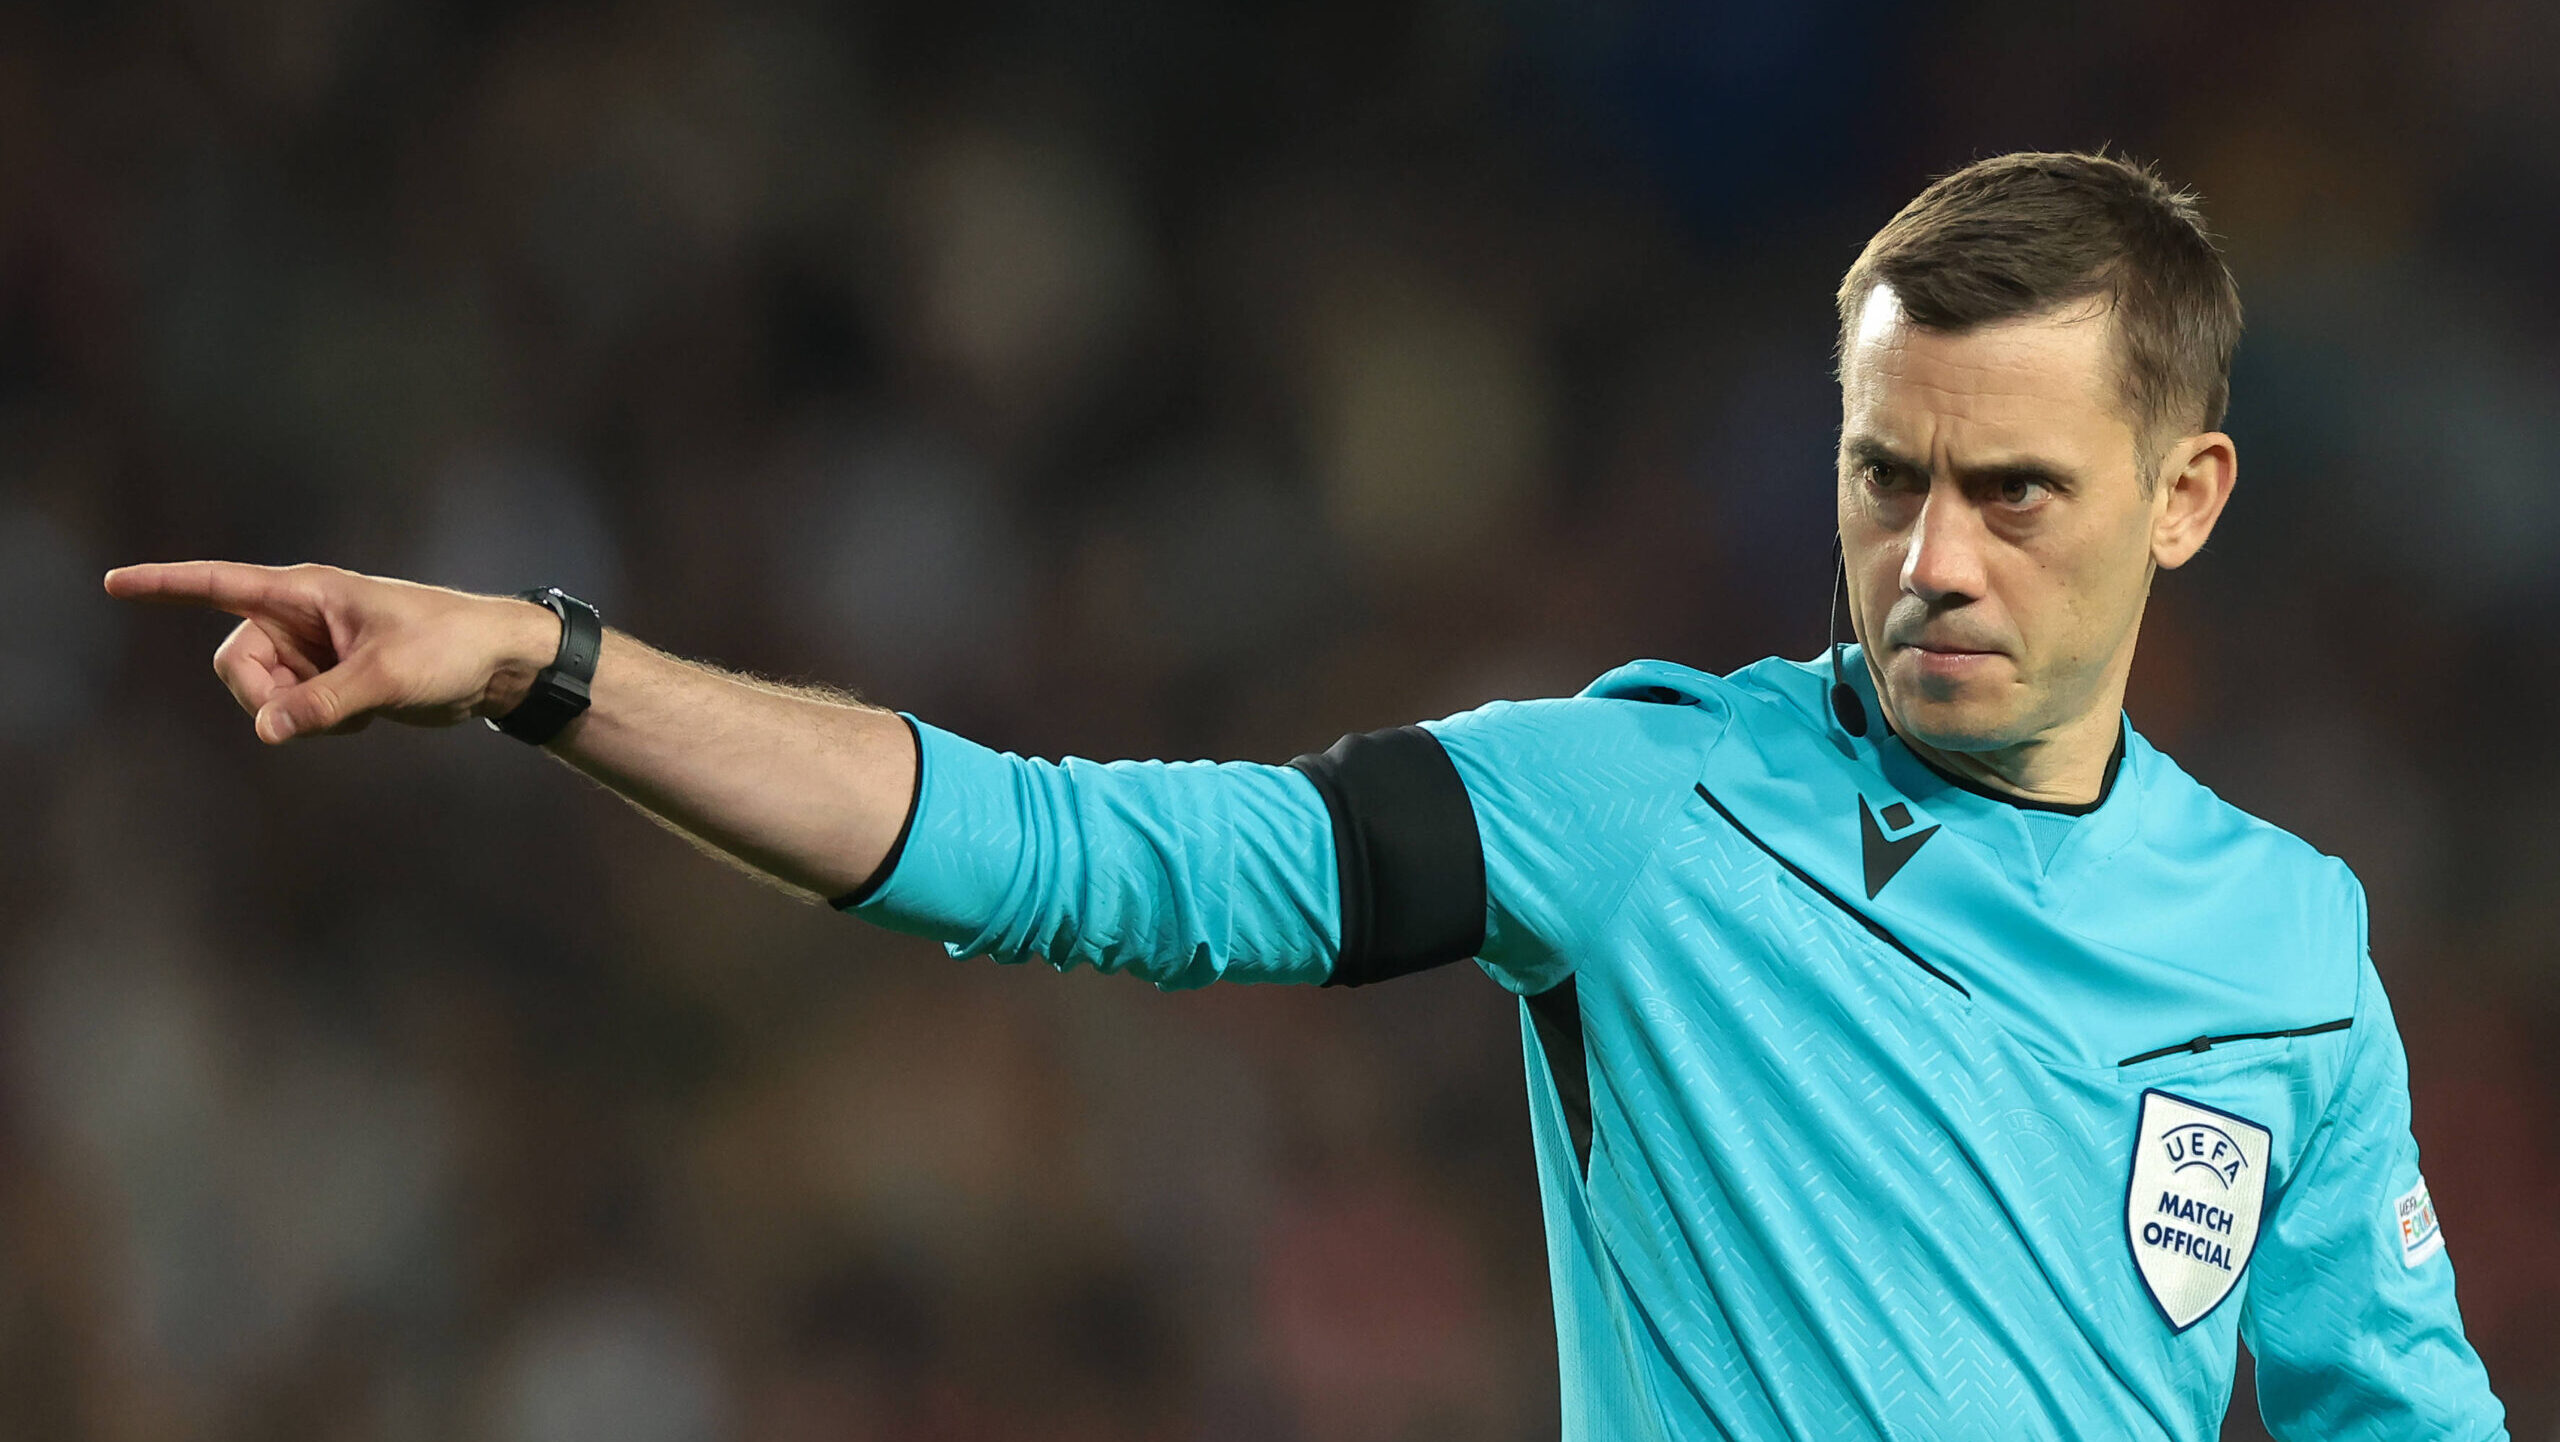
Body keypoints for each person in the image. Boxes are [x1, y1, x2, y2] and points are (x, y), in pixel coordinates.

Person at [106, 151, 2506, 1440]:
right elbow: (1071, 855)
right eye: (1881, 478)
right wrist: (550, 662)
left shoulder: (2285, 949)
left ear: (2184, 494)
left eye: (2013, 491)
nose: (1927, 557)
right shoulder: (1642, 807)